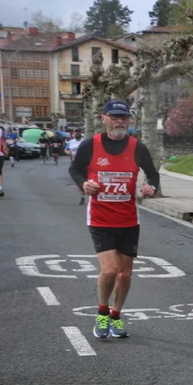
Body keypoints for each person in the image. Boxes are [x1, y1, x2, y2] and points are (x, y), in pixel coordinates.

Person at [68, 100, 160, 339]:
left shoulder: (137, 147)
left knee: (125, 274)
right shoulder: (90, 145)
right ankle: (102, 314)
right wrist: (83, 183)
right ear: (104, 119)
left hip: (128, 220)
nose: (120, 121)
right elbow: (75, 170)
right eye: (115, 117)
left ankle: (116, 315)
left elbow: (153, 174)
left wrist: (151, 187)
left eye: (124, 117)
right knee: (110, 271)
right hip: (100, 219)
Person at [65, 130, 86, 204]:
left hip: (85, 163)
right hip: (75, 163)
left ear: (80, 133)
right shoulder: (70, 142)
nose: (77, 133)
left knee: (87, 180)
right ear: (74, 133)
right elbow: (66, 150)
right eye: (76, 132)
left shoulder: (85, 141)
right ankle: (82, 198)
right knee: (79, 181)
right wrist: (68, 152)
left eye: (78, 132)